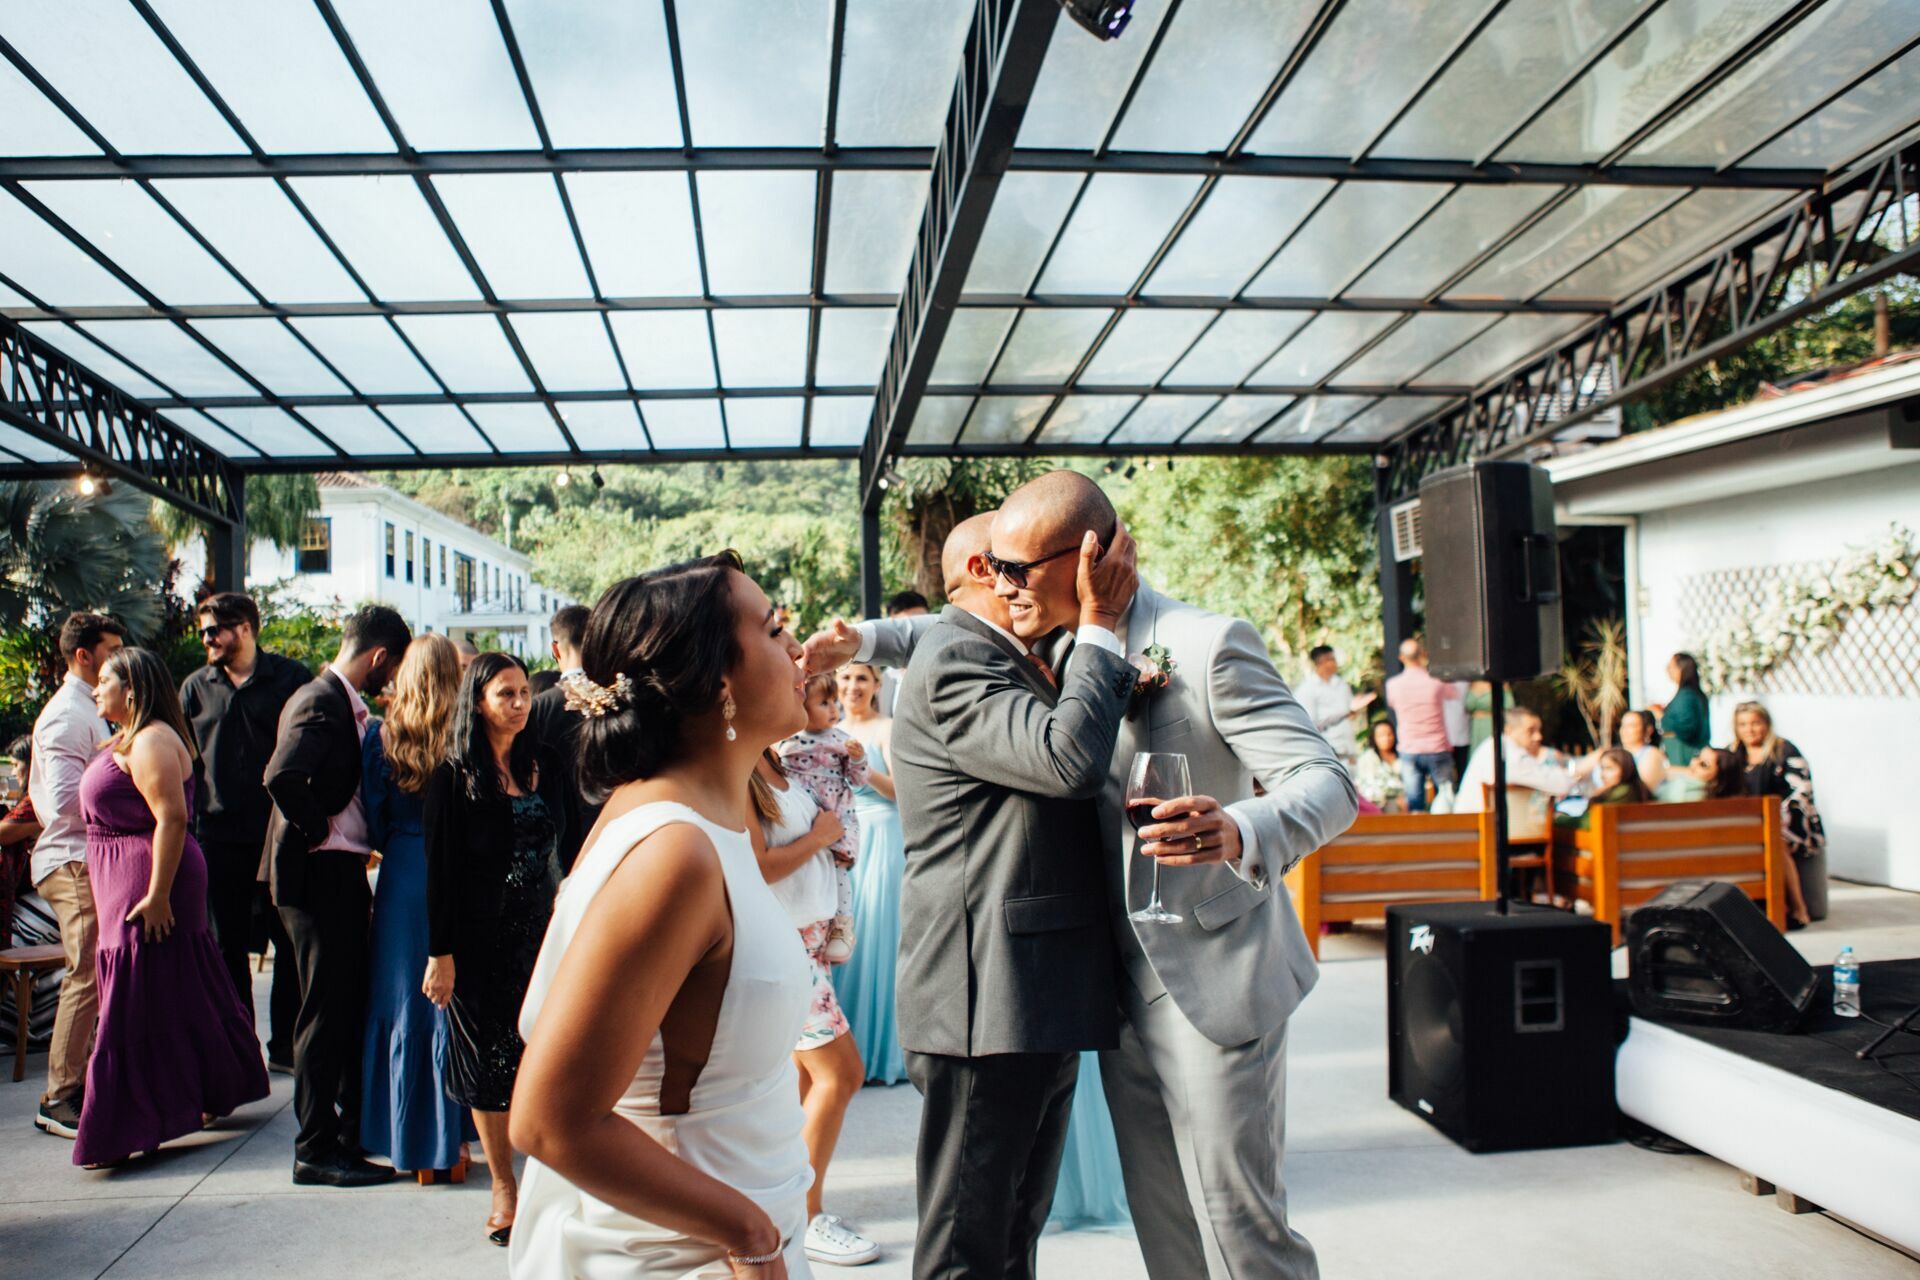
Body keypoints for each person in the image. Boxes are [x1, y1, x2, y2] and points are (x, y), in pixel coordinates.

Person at [819, 471, 1355, 1280]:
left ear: (1092, 557)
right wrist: (858, 639)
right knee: (1165, 1226)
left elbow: (1330, 782)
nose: (998, 587)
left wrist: (1239, 828)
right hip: (1107, 987)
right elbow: (950, 626)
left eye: (1017, 571)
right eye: (990, 566)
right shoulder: (1060, 638)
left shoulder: (1207, 644)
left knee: (1238, 1229)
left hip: (1209, 975)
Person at [507, 552, 815, 1278]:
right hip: (689, 1254)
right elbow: (549, 1121)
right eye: (773, 631)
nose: (797, 647)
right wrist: (747, 1230)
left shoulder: (701, 811)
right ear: (716, 681)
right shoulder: (674, 853)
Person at [74, 647, 268, 1167]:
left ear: (132, 688)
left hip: (151, 882)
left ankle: (116, 1127)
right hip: (131, 879)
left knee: (132, 1002)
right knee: (170, 992)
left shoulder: (154, 738)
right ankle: (204, 1089)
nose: (96, 688)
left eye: (105, 680)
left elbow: (173, 819)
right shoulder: (130, 738)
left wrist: (158, 895)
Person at [424, 653, 570, 1246]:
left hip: (542, 935)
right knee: (490, 1064)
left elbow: (574, 837)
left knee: (544, 1052)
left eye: (523, 693)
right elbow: (440, 875)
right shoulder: (452, 775)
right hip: (479, 942)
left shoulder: (546, 764)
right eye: (504, 694)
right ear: (477, 702)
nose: (518, 703)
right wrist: (441, 954)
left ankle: (548, 1180)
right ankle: (504, 1187)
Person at [264, 604, 411, 1188]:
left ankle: (338, 1138)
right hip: (318, 876)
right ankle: (314, 1149)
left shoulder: (337, 701)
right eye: (393, 667)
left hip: (338, 875)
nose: (393, 680)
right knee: (324, 1014)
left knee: (340, 1007)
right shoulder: (320, 700)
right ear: (379, 657)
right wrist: (319, 830)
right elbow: (280, 776)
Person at [751, 749, 880, 1268]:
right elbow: (756, 865)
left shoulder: (776, 759)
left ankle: (787, 1206)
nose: (801, 667)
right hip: (784, 945)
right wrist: (820, 839)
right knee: (842, 1074)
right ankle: (802, 1215)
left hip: (808, 942)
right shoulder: (740, 769)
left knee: (803, 1084)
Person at [178, 591, 310, 1071]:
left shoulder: (292, 679)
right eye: (204, 631)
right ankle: (239, 1053)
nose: (207, 639)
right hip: (216, 837)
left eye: (215, 630)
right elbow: (183, 765)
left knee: (288, 939)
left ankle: (285, 1048)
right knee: (225, 945)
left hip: (279, 833)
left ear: (246, 628)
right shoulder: (194, 687)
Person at [359, 635, 469, 1178]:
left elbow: (373, 818)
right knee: (459, 1000)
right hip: (460, 870)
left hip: (403, 868)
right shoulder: (468, 735)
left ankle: (415, 1139)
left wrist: (401, 837)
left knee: (406, 1002)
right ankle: (462, 1137)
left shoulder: (382, 737)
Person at [28, 612, 124, 1141]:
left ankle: (85, 1083)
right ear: (84, 654)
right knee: (85, 968)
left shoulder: (89, 708)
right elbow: (63, 802)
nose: (117, 657)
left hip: (90, 856)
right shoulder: (67, 715)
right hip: (69, 857)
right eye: (110, 648)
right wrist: (117, 752)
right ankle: (58, 1096)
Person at [831, 660, 906, 1087]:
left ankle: (880, 1054)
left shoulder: (888, 729)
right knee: (841, 938)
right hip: (842, 845)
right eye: (844, 678)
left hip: (881, 837)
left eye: (861, 678)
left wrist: (862, 767)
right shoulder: (827, 727)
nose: (852, 686)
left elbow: (902, 791)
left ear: (877, 685)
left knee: (875, 936)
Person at [777, 675, 869, 965]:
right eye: (824, 702)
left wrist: (857, 759)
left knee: (838, 869)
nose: (833, 709)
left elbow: (859, 780)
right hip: (801, 816)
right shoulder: (787, 741)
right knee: (801, 863)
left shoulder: (841, 740)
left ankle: (841, 926)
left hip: (834, 814)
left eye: (834, 701)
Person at [1729, 701, 1820, 929]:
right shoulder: (1733, 753)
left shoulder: (1784, 750)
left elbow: (1801, 793)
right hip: (1750, 823)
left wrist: (1776, 819)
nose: (1749, 729)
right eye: (1743, 724)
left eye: (1755, 723)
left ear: (1766, 724)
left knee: (1774, 842)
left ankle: (1798, 909)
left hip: (1790, 822)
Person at [526, 604, 598, 873]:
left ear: (554, 649)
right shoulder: (619, 700)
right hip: (610, 831)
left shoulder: (539, 708)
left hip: (555, 838)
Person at [1453, 706, 1580, 815]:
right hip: (1493, 833)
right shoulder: (1511, 755)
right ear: (1509, 730)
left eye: (1539, 731)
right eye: (1530, 731)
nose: (1538, 737)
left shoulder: (1491, 745)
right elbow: (1561, 784)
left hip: (1473, 826)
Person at [1384, 638, 1463, 812]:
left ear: (1401, 657)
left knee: (1415, 803)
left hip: (1409, 749)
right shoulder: (1436, 681)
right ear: (1423, 655)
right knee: (1446, 797)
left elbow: (1391, 703)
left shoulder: (1393, 685)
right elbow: (1455, 693)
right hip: (1437, 746)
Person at [1295, 645, 1372, 768]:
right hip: (1327, 751)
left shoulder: (1341, 684)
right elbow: (1309, 723)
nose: (1336, 663)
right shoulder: (1307, 689)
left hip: (1348, 748)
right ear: (1323, 661)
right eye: (1333, 659)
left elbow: (1350, 713)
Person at [2, 737, 43, 947]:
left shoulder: (38, 801)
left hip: (43, 896)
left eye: (16, 765)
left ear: (31, 764)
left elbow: (4, 833)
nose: (13, 773)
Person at [1559, 747, 1653, 828]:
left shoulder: (1624, 792)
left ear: (1625, 769)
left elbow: (1589, 822)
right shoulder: (1634, 789)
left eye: (1609, 768)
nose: (1602, 775)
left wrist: (1559, 819)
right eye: (1602, 769)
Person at [875, 590, 929, 720]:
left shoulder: (947, 670)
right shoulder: (883, 680)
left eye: (919, 626)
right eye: (903, 629)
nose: (913, 636)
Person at [1654, 653, 1710, 767]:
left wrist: (1660, 715)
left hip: (1685, 757)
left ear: (1681, 669)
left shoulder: (1686, 695)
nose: (1668, 670)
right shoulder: (1690, 694)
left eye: (1671, 667)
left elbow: (1686, 728)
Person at [1354, 719, 1407, 813]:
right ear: (1374, 738)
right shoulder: (1368, 757)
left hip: (1405, 801)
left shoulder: (1403, 755)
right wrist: (1397, 795)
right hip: (1377, 803)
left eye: (1389, 734)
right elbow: (1369, 786)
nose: (1386, 738)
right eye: (1381, 735)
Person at [1659, 746, 1743, 802]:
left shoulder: (1687, 793)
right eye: (1697, 756)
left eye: (1704, 765)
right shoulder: (1688, 780)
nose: (1694, 763)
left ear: (1717, 781)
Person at [1612, 709, 1667, 792]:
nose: (1625, 730)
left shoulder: (1652, 754)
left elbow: (1643, 789)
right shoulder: (1611, 752)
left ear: (1648, 730)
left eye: (1631, 725)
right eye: (1623, 725)